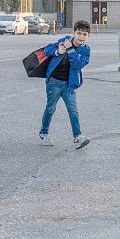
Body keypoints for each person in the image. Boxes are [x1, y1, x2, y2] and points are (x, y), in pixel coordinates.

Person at [38, 20, 92, 149]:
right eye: (79, 33)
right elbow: (47, 49)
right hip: (54, 82)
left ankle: (78, 136)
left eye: (85, 34)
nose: (81, 37)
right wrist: (58, 50)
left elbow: (78, 64)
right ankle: (43, 134)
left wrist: (71, 50)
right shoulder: (64, 40)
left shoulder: (85, 50)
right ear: (74, 33)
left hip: (69, 84)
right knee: (50, 109)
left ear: (88, 36)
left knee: (73, 110)